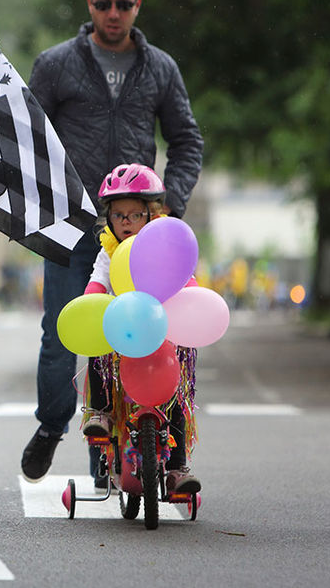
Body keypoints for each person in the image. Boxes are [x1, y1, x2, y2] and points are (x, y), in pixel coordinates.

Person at [22, 0, 204, 482]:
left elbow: (186, 139)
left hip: (137, 230)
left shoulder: (160, 68)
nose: (114, 13)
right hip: (70, 225)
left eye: (123, 3)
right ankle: (53, 426)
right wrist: (45, 203)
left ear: (137, 5)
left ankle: (116, 451)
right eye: (104, 3)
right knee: (64, 335)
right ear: (90, 5)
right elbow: (32, 139)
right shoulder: (56, 64)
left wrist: (170, 205)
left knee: (139, 334)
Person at [80, 164, 200, 494]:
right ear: (109, 220)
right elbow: (97, 283)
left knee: (177, 386)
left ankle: (177, 467)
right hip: (124, 331)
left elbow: (183, 275)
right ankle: (100, 412)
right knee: (98, 349)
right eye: (119, 216)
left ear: (152, 215)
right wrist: (91, 301)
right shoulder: (108, 252)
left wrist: (191, 293)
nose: (127, 222)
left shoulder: (164, 245)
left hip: (161, 332)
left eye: (135, 215)